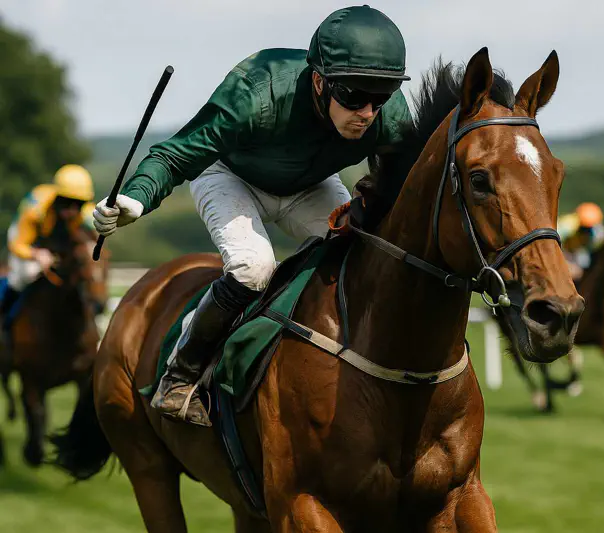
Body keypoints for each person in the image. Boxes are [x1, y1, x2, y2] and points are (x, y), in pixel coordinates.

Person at [92, 5, 413, 427]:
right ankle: (181, 375)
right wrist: (135, 198)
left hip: (311, 185)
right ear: (319, 81)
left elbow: (402, 186)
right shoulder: (256, 92)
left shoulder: (386, 115)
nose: (368, 112)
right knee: (254, 268)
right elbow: (176, 154)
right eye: (354, 96)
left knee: (363, 257)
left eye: (381, 96)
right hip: (230, 175)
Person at [1, 164, 95, 343]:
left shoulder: (86, 213)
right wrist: (37, 255)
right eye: (67, 203)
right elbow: (17, 244)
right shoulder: (34, 211)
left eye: (78, 204)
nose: (72, 210)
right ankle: (5, 317)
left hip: (56, 243)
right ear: (57, 198)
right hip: (29, 240)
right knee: (25, 275)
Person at [557, 202, 604, 282]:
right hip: (563, 251)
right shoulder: (568, 224)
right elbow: (555, 243)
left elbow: (594, 246)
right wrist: (567, 263)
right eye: (584, 227)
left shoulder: (597, 230)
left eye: (589, 227)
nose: (586, 231)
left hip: (578, 251)